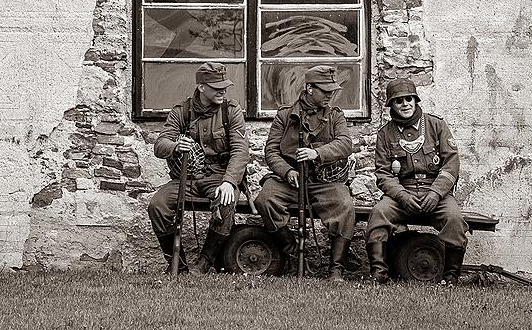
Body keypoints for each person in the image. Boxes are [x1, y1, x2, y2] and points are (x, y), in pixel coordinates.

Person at [255, 65, 356, 281]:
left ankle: (336, 268)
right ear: (310, 88)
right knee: (265, 199)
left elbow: (345, 144)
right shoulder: (284, 115)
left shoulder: (336, 116)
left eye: (332, 91)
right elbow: (271, 151)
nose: (330, 95)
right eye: (325, 91)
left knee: (345, 205)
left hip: (324, 181)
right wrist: (287, 171)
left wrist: (316, 153)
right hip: (290, 182)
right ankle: (291, 250)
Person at [148, 62, 249, 274]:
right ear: (202, 87)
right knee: (157, 205)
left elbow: (241, 152)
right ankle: (179, 264)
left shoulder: (231, 111)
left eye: (224, 86)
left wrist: (230, 182)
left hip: (219, 176)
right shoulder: (182, 111)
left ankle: (204, 262)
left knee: (226, 202)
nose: (223, 90)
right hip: (188, 177)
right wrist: (176, 146)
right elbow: (160, 145)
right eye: (217, 87)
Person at [366, 77, 468, 284]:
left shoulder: (436, 125)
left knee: (454, 219)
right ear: (391, 105)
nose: (405, 104)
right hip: (402, 193)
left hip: (436, 193)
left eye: (409, 99)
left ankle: (450, 278)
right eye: (399, 100)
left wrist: (436, 193)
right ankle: (379, 274)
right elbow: (383, 173)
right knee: (379, 214)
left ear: (416, 100)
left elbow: (451, 164)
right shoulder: (385, 134)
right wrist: (402, 196)